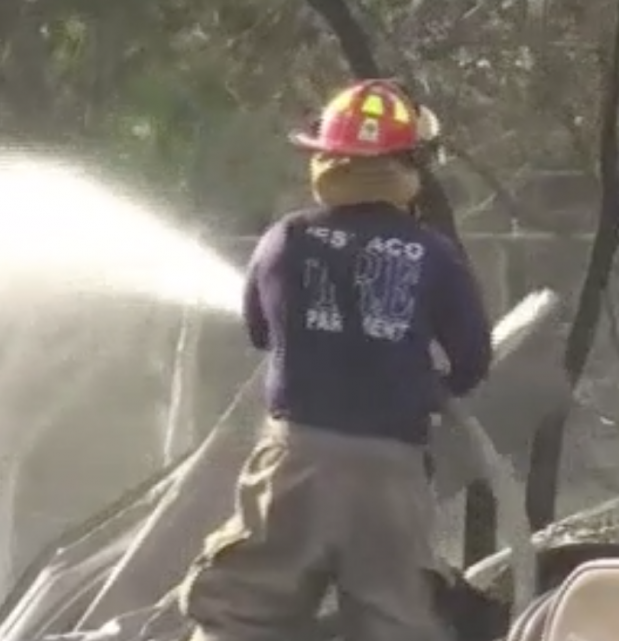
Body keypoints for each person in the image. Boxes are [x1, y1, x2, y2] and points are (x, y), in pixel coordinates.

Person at [176, 79, 493, 641]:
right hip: (389, 472)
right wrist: (417, 382)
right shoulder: (433, 253)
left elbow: (258, 330)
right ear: (409, 166)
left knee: (242, 613)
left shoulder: (285, 239)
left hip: (293, 464)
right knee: (399, 621)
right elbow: (471, 361)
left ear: (325, 159)